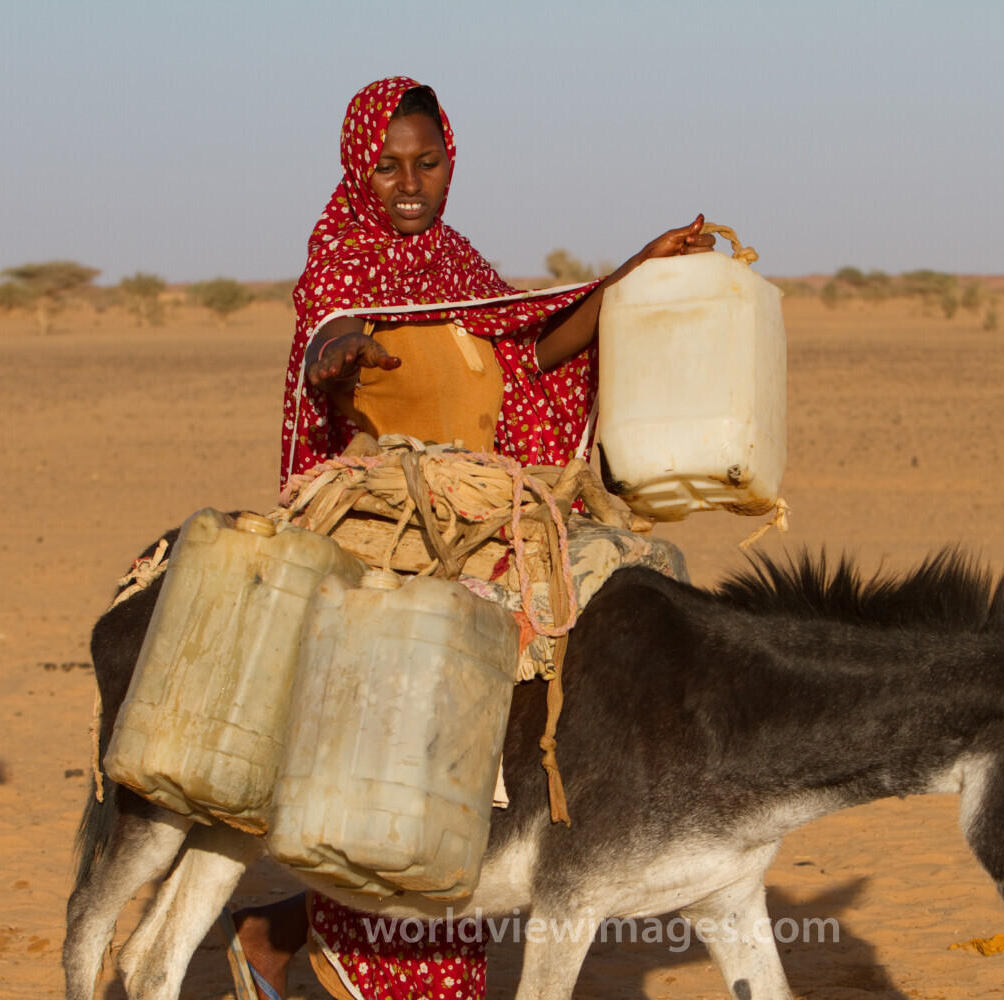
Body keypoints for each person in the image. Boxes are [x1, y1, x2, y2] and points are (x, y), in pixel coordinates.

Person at [229, 76, 715, 1000]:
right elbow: (329, 333)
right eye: (388, 166)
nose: (409, 183)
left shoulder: (454, 260)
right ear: (355, 168)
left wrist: (632, 277)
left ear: (452, 162)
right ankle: (326, 943)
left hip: (470, 514)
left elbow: (525, 355)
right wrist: (337, 359)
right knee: (417, 739)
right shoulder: (341, 254)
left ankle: (278, 930)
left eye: (429, 162)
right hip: (391, 523)